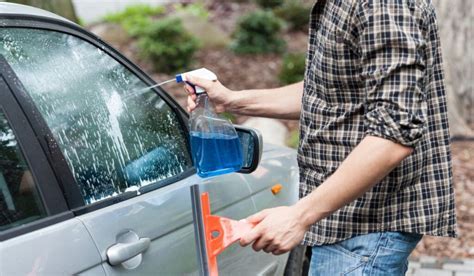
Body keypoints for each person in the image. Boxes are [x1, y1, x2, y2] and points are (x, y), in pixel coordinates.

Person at [184, 0, 456, 275]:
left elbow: (394, 134)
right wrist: (232, 100)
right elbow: (328, 93)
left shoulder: (382, 5)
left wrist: (298, 216)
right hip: (343, 223)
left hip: (366, 230)